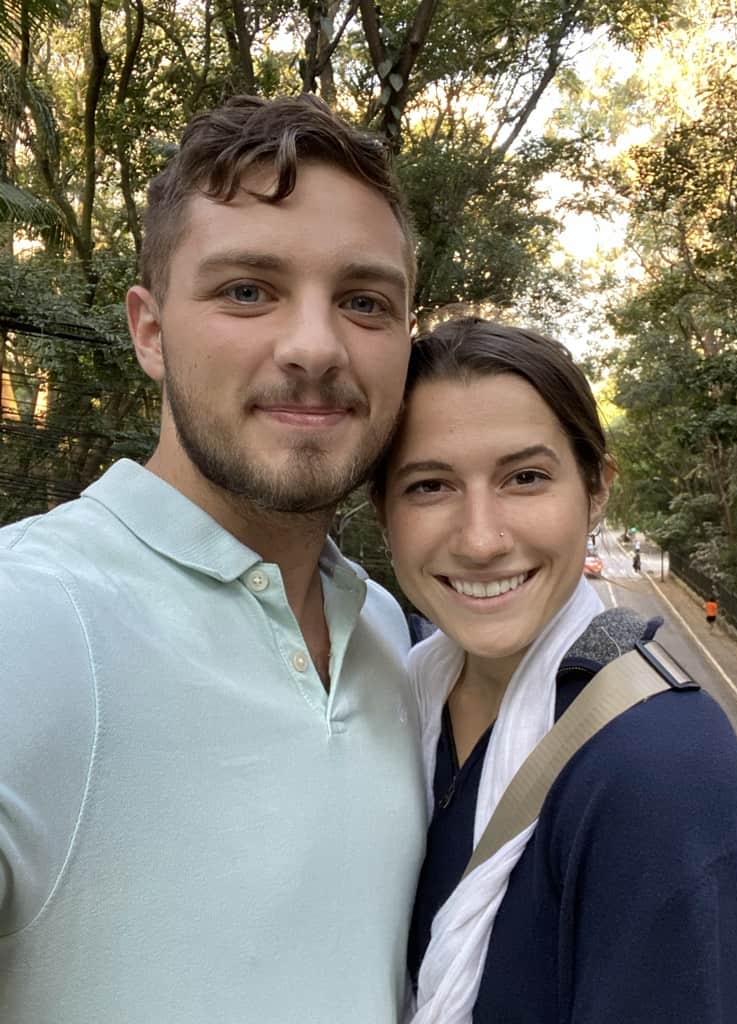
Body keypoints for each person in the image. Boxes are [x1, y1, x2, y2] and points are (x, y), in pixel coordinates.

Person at [0, 94, 427, 1023]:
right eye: (247, 290)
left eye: (363, 301)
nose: (314, 346)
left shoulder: (393, 637)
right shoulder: (25, 620)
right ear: (149, 331)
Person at [372, 317, 737, 1023]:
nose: (482, 538)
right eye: (430, 486)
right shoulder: (393, 712)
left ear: (596, 489)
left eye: (525, 478)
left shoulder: (663, 774)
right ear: (383, 513)